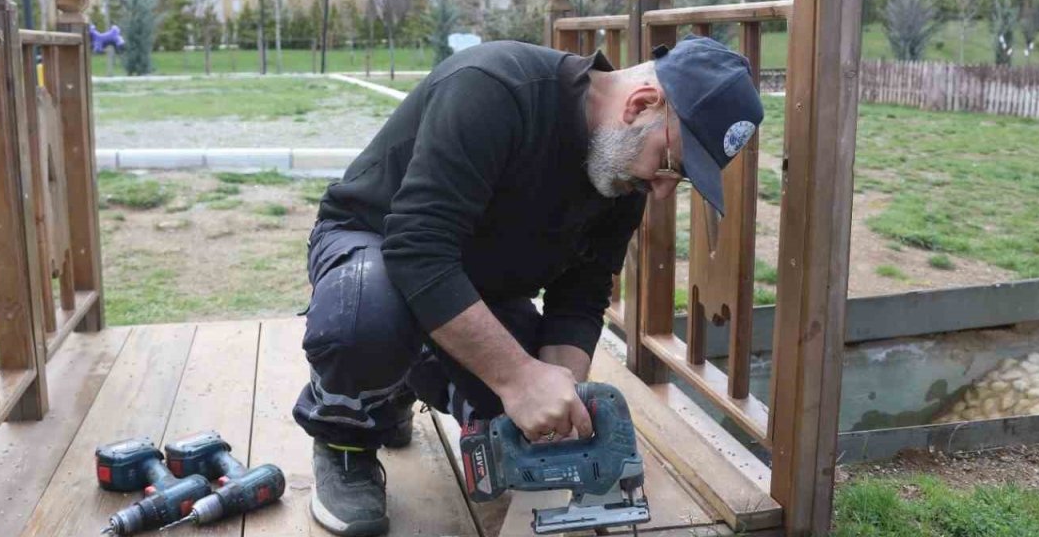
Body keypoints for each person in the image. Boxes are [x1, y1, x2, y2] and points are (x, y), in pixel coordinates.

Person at [291, 35, 764, 536]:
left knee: (519, 419)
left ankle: (397, 383)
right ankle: (344, 432)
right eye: (672, 165)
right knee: (365, 325)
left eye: (680, 179)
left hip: (470, 283)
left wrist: (560, 392)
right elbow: (417, 248)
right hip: (375, 242)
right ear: (641, 104)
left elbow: (583, 291)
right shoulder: (494, 89)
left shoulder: (623, 174)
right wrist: (519, 378)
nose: (663, 191)